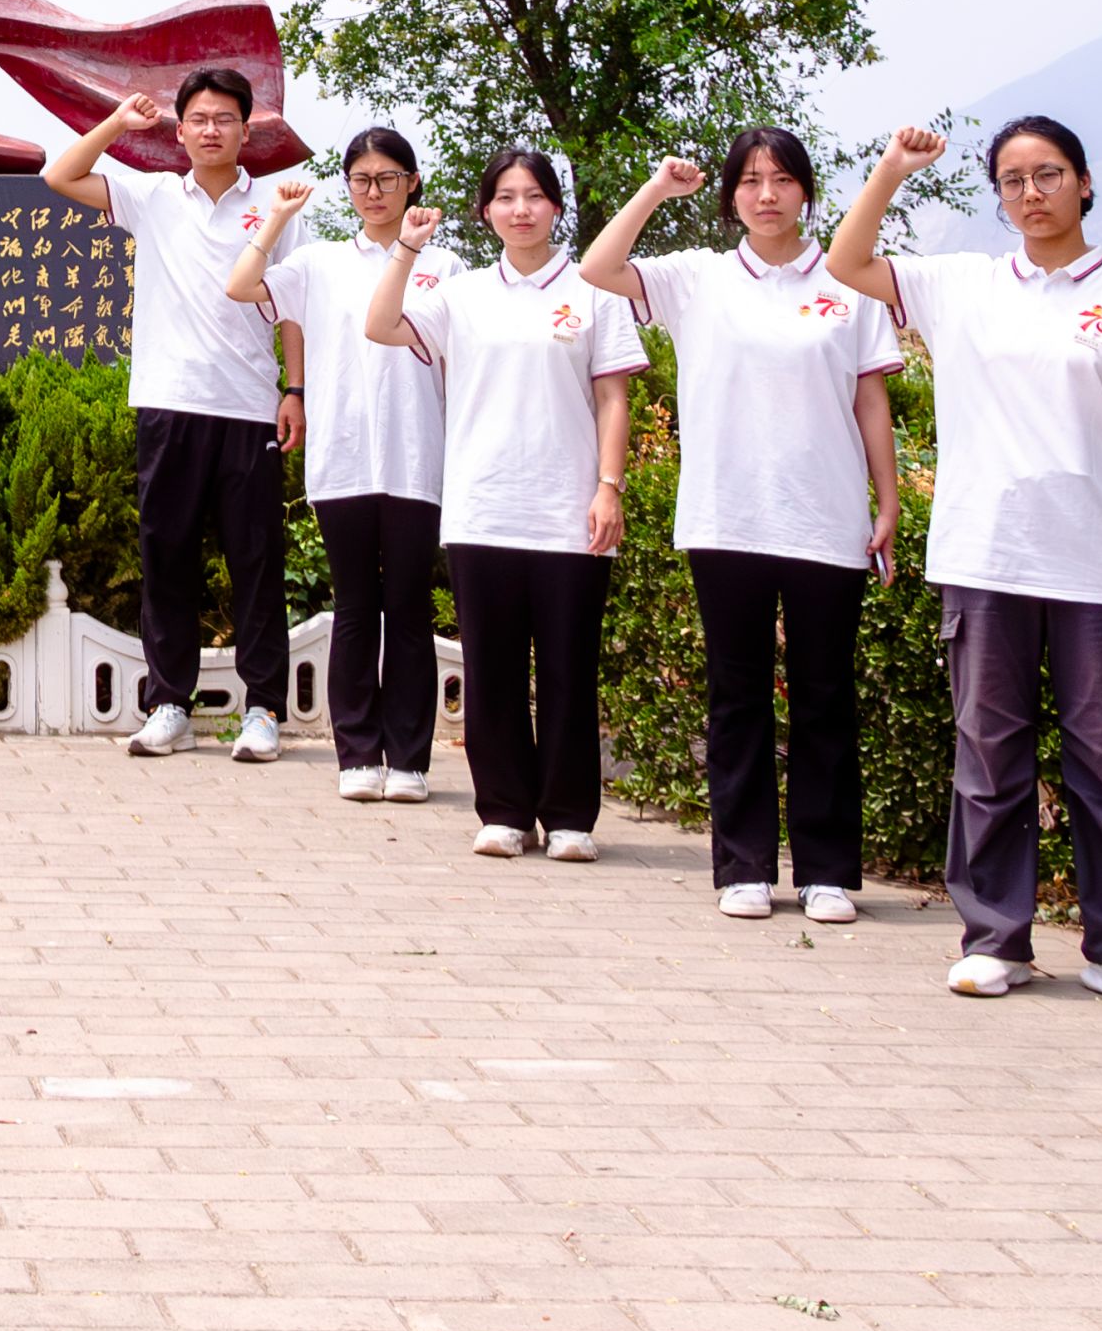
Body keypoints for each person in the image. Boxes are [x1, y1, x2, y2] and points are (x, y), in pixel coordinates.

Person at [828, 116, 1102, 1011]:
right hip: (985, 557)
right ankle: (995, 939)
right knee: (989, 756)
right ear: (998, 196)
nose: (1032, 193)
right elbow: (846, 261)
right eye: (1013, 181)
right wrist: (892, 170)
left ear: (1084, 182)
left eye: (1049, 174)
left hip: (1098, 561)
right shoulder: (961, 285)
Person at [581, 130, 904, 924]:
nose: (767, 195)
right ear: (730, 196)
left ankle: (827, 873)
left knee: (825, 696)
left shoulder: (847, 280)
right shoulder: (698, 277)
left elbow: (870, 399)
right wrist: (657, 190)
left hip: (826, 518)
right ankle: (745, 865)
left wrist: (888, 501)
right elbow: (597, 267)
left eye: (783, 180)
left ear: (806, 192)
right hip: (727, 518)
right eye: (751, 181)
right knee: (738, 696)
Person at [364, 150, 643, 860]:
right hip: (483, 508)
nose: (521, 210)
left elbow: (613, 397)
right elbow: (381, 324)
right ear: (486, 211)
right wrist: (407, 249)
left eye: (535, 196)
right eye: (506, 198)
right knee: (491, 670)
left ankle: (570, 817)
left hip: (570, 513)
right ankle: (505, 812)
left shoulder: (593, 290)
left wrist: (608, 486)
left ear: (557, 207)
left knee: (568, 669)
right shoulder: (461, 295)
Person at [45, 68, 306, 762]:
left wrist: (296, 390)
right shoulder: (153, 195)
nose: (211, 130)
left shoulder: (278, 205)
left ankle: (263, 710)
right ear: (181, 131)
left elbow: (294, 309)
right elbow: (60, 175)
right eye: (199, 119)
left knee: (256, 562)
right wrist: (116, 123)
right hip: (168, 402)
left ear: (246, 131)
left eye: (225, 118)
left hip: (249, 406)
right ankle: (169, 705)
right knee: (167, 559)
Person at [224, 127, 455, 801]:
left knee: (407, 608)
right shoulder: (318, 263)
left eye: (388, 178)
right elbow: (241, 286)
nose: (374, 192)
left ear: (413, 182)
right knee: (355, 606)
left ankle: (408, 762)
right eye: (361, 180)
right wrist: (276, 218)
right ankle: (356, 754)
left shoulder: (448, 266)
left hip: (418, 456)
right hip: (344, 457)